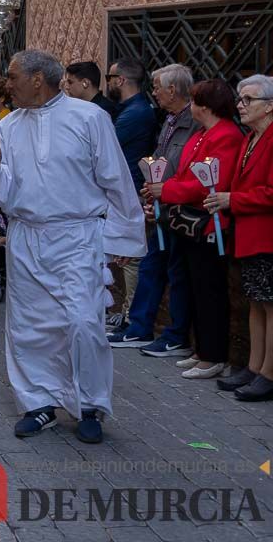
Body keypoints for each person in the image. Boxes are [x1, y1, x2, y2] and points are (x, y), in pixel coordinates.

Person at [0, 50, 146, 444]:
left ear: (38, 79)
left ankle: (90, 405)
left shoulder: (90, 118)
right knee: (29, 326)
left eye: (13, 76)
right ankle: (38, 403)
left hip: (77, 237)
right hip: (26, 237)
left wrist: (123, 240)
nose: (7, 83)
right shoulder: (8, 125)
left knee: (83, 322)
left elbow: (116, 179)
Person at [143, 79, 243, 380]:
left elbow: (209, 183)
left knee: (209, 289)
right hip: (189, 222)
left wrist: (166, 191)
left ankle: (214, 354)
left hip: (208, 223)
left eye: (196, 100)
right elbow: (186, 173)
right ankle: (202, 349)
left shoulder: (225, 135)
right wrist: (162, 189)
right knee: (194, 287)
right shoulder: (203, 134)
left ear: (205, 106)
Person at [108, 63, 197, 355]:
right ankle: (139, 325)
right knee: (151, 264)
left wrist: (164, 189)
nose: (154, 92)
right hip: (160, 203)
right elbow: (160, 158)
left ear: (173, 89)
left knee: (174, 271)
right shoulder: (169, 120)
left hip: (180, 208)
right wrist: (152, 190)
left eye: (158, 86)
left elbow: (186, 167)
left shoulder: (191, 122)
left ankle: (173, 334)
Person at [206, 75, 273, 399]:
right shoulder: (250, 138)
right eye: (240, 99)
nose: (241, 105)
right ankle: (254, 366)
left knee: (269, 305)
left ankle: (268, 372)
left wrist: (232, 199)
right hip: (249, 234)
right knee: (256, 305)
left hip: (267, 235)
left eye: (249, 100)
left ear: (270, 106)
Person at [104, 56, 156, 330]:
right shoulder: (130, 109)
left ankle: (129, 317)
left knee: (130, 259)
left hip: (132, 190)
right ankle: (122, 314)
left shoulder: (135, 112)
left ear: (120, 80)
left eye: (110, 78)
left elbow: (108, 146)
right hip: (127, 190)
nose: (108, 84)